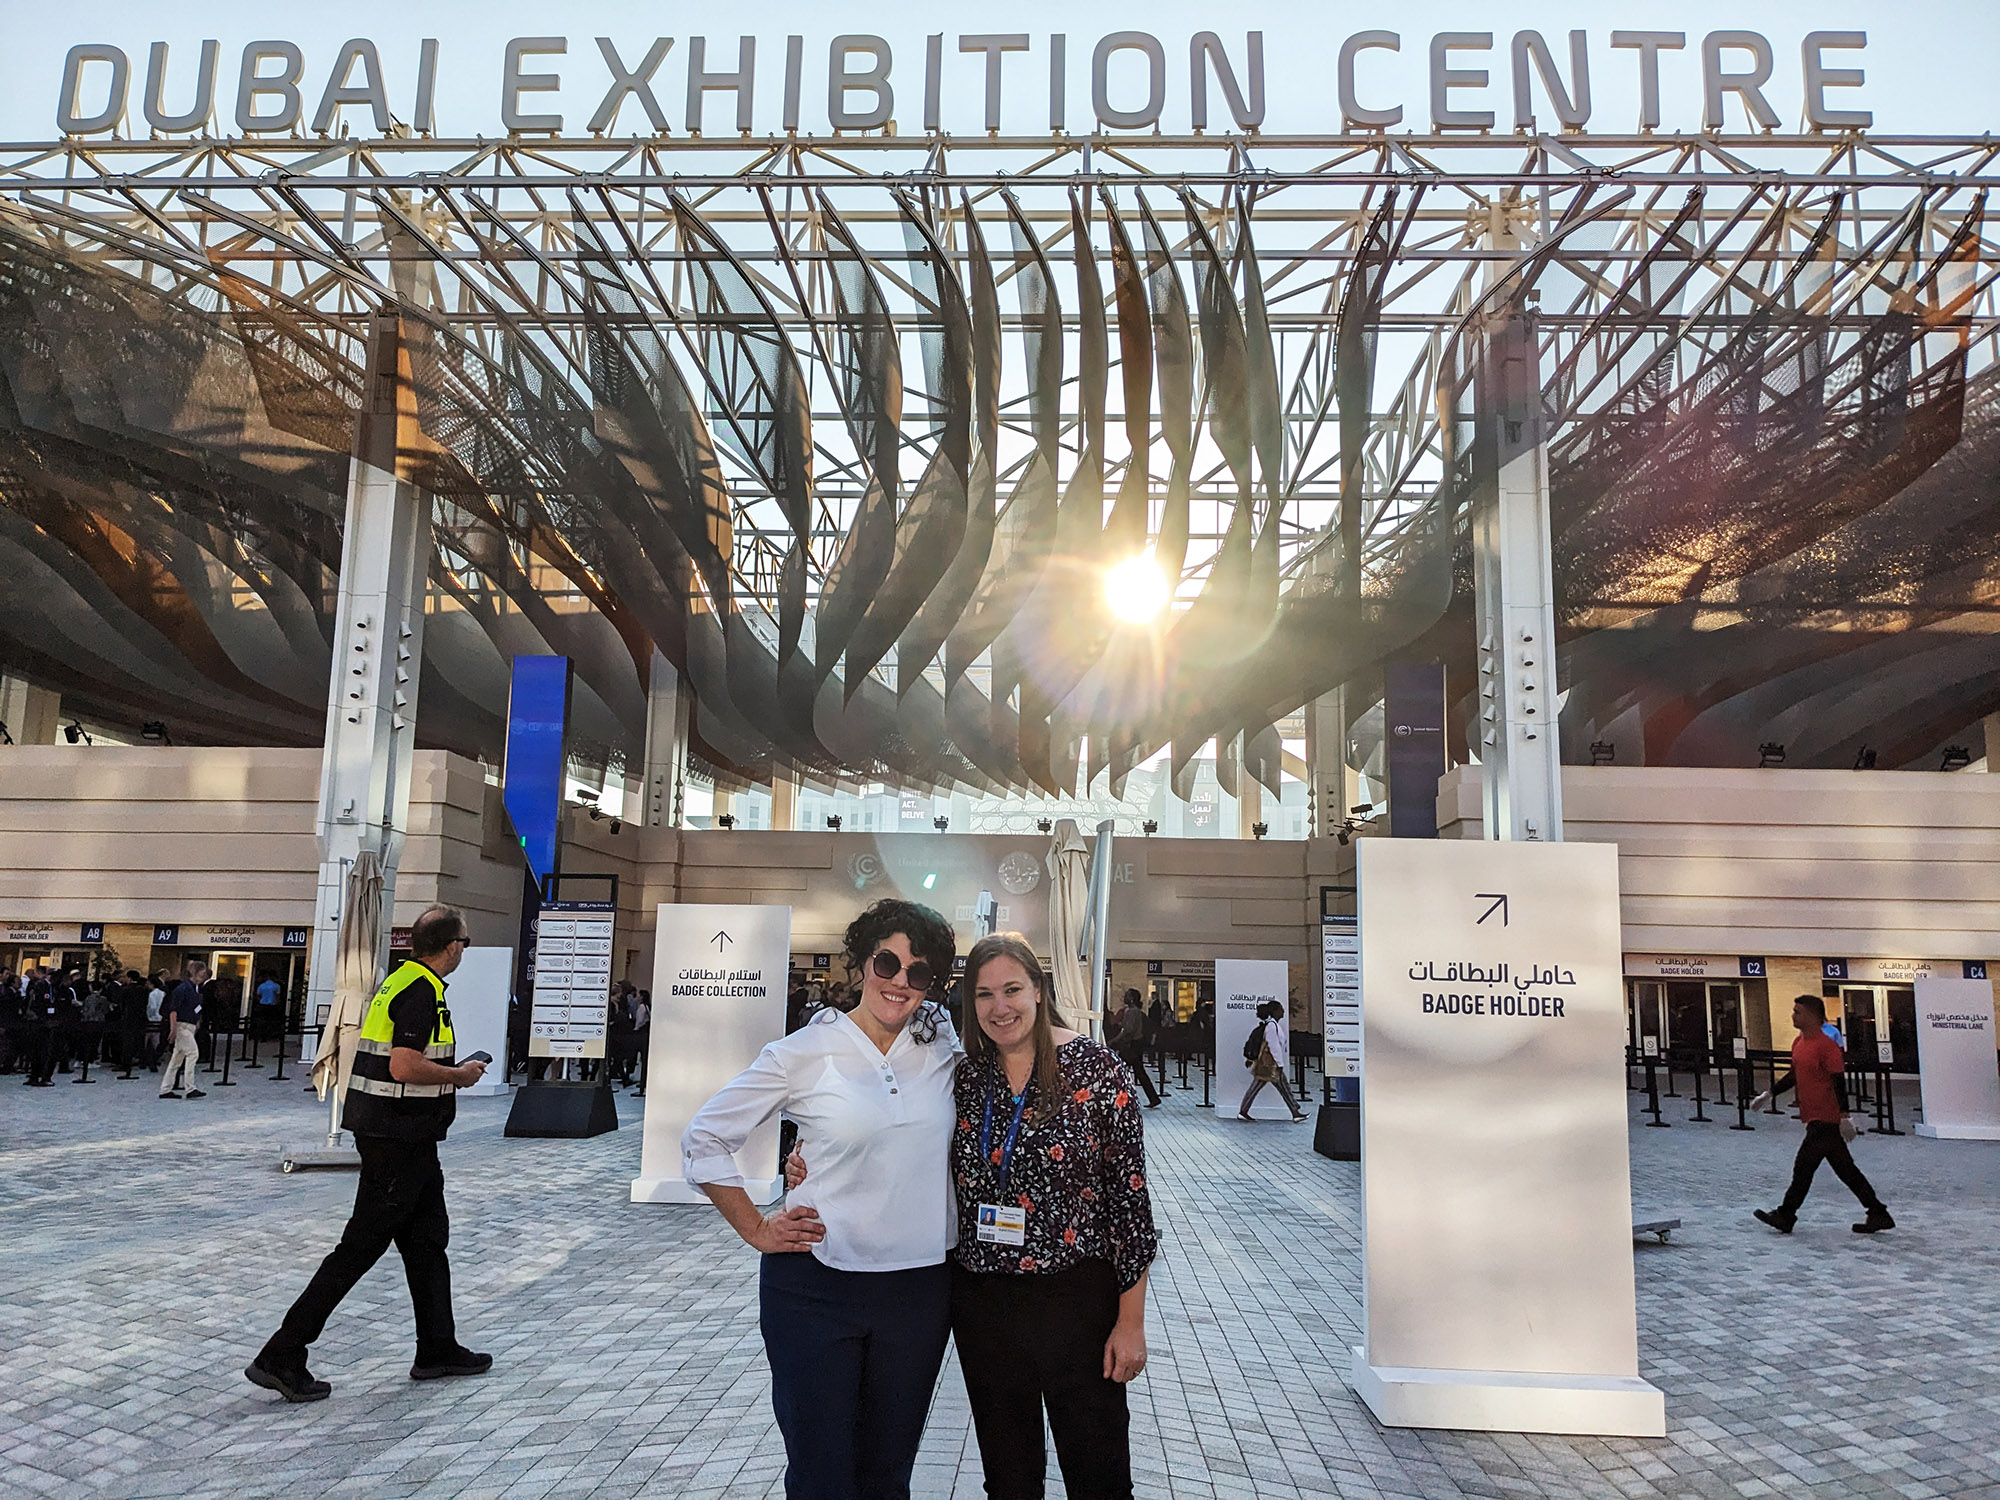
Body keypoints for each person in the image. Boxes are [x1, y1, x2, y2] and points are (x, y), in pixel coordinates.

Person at [682, 898, 961, 1500]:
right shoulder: (803, 1052)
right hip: (814, 1288)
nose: (899, 983)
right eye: (887, 963)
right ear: (861, 962)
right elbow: (703, 1138)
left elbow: (1015, 1043)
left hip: (918, 1291)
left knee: (888, 1476)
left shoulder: (940, 1038)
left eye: (919, 973)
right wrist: (756, 1227)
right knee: (821, 1474)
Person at [246, 905, 491, 1402]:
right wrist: (458, 1076)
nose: (465, 948)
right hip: (398, 1142)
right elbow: (404, 1066)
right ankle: (283, 1353)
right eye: (465, 940)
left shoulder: (400, 983)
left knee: (427, 1245)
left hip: (406, 1139)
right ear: (452, 946)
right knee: (358, 1248)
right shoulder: (420, 992)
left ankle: (437, 1348)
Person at [945, 934, 1158, 1500]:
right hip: (984, 1303)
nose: (999, 1007)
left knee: (1099, 1474)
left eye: (1012, 989)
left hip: (1076, 1302)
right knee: (1009, 1478)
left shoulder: (1096, 1070)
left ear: (1039, 992)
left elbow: (1129, 1206)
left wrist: (1130, 1324)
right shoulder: (966, 1077)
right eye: (984, 995)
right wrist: (805, 1163)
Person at [1751, 994, 1894, 1235]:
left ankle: (1786, 1214)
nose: (1793, 1015)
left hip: (1826, 1119)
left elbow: (1839, 1081)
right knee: (1846, 1171)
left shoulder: (1827, 1047)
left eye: (1797, 1012)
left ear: (1811, 1016)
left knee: (1803, 1167)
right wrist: (1770, 1094)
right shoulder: (1799, 1043)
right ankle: (1878, 1213)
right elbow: (1795, 1075)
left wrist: (1845, 1115)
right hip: (1814, 1116)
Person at [1239, 1000, 1306, 1122]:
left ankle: (1243, 1111)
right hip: (1270, 1064)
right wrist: (1279, 1064)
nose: (1283, 1011)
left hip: (1267, 1064)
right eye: (1280, 1009)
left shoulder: (1272, 1025)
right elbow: (1273, 1046)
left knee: (1266, 1087)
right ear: (1275, 1011)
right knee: (1283, 1088)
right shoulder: (1272, 1026)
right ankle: (1295, 1112)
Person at [158, 963, 208, 1099]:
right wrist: (173, 1029)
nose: (203, 978)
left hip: (187, 1025)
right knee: (193, 1053)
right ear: (194, 973)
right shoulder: (184, 989)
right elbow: (173, 1011)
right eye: (201, 974)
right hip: (183, 1025)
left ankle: (166, 1088)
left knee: (177, 1059)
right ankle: (190, 1087)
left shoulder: (192, 988)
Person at [1111, 989, 1161, 1107]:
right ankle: (1153, 1098)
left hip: (1131, 1046)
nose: (1124, 997)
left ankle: (1118, 1097)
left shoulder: (1131, 1012)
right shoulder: (1137, 1012)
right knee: (1139, 1072)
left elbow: (1127, 1031)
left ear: (1132, 998)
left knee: (1118, 1070)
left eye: (1127, 995)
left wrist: (1114, 1040)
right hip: (1137, 1044)